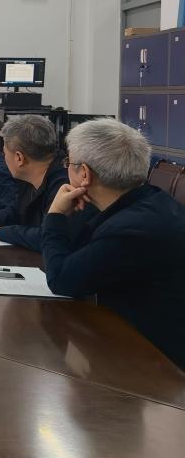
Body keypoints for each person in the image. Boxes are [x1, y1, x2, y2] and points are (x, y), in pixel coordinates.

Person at [42, 119, 185, 370]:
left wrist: (55, 215)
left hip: (159, 365)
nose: (66, 169)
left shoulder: (130, 230)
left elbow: (62, 280)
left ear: (84, 174)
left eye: (69, 164)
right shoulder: (152, 201)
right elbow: (78, 253)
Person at [0, 115, 69, 248]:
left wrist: (1, 233)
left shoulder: (63, 184)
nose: (3, 159)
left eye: (5, 154)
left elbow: (47, 235)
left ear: (19, 158)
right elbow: (17, 211)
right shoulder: (27, 178)